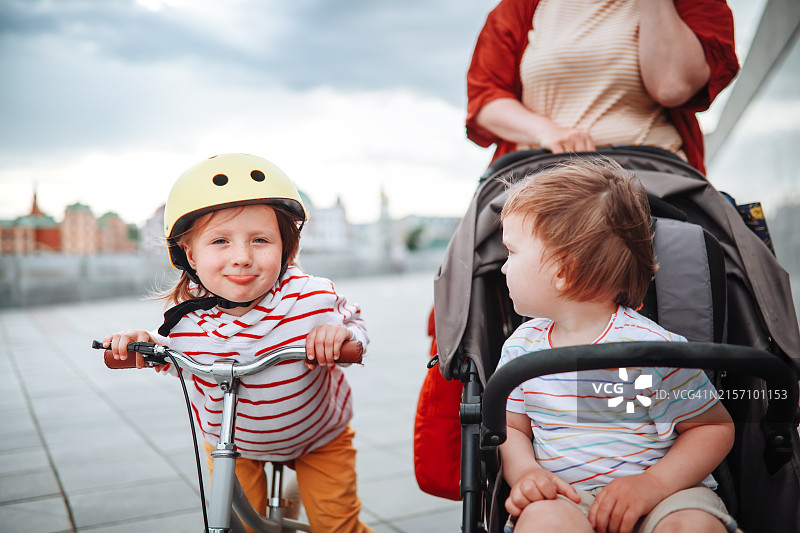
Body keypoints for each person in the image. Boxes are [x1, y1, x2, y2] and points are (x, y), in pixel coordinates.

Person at [101, 153, 373, 533]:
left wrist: (340, 335)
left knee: (338, 527)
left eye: (260, 240)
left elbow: (356, 330)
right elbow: (169, 356)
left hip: (318, 438)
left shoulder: (312, 298)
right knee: (236, 526)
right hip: (235, 446)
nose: (242, 257)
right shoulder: (186, 320)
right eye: (221, 241)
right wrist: (142, 344)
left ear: (287, 249)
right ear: (190, 254)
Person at [497, 156, 738, 533]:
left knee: (692, 525)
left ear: (563, 271)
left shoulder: (652, 348)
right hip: (567, 497)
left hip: (663, 493)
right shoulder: (521, 349)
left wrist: (654, 484)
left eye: (511, 252)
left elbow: (712, 427)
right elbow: (511, 427)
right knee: (543, 521)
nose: (502, 267)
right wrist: (526, 471)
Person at [466, 0, 739, 174]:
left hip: (651, 182)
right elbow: (486, 100)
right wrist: (547, 131)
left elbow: (672, 86)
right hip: (541, 179)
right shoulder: (519, 7)